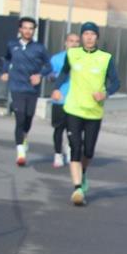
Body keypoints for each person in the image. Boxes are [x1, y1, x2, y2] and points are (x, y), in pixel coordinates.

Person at [51, 23, 120, 206]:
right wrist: (56, 88)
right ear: (82, 37)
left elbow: (116, 83)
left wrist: (105, 94)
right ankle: (77, 189)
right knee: (75, 147)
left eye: (92, 34)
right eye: (86, 34)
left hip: (94, 112)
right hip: (73, 109)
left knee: (88, 151)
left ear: (97, 37)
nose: (89, 37)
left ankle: (82, 173)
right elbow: (63, 73)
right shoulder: (73, 54)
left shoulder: (105, 58)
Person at [0, 17, 51, 167]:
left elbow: (48, 65)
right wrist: (4, 71)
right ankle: (20, 152)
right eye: (25, 28)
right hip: (16, 86)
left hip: (32, 89)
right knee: (20, 117)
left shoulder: (39, 48)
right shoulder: (12, 45)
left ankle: (24, 136)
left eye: (31, 28)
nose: (28, 31)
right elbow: (7, 59)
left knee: (28, 117)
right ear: (20, 29)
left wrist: (40, 75)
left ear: (34, 31)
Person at [47, 31, 80, 168]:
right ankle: (58, 154)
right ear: (66, 43)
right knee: (59, 129)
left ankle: (70, 150)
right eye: (71, 41)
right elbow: (49, 75)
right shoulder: (57, 59)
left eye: (77, 41)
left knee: (74, 130)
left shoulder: (83, 59)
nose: (74, 44)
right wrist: (54, 77)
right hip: (60, 99)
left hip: (77, 100)